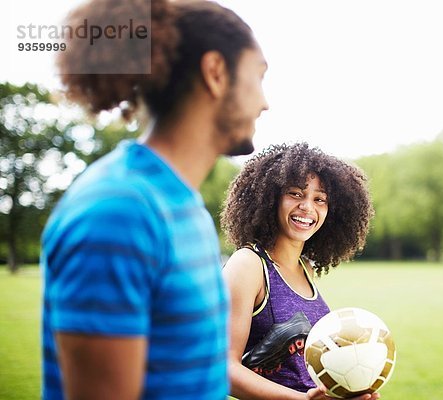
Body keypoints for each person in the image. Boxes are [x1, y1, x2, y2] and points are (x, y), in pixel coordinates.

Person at [41, 0, 268, 399]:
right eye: (259, 76)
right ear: (216, 73)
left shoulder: (182, 203)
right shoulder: (118, 212)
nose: (265, 102)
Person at [220, 142, 378, 399]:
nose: (308, 207)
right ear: (271, 198)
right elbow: (223, 368)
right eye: (295, 193)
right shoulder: (248, 265)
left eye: (320, 199)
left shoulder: (306, 269)